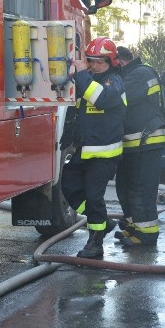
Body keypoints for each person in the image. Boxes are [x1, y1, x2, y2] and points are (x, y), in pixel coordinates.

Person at [61, 37, 127, 259]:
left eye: (100, 62)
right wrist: (68, 135)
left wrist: (81, 75)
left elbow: (101, 99)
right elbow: (76, 111)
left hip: (105, 154)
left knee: (94, 196)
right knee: (69, 187)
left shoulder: (114, 82)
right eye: (91, 61)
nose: (95, 65)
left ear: (111, 62)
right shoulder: (87, 81)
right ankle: (102, 222)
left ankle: (95, 242)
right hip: (84, 152)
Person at [114, 46, 165, 246]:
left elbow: (117, 98)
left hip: (146, 142)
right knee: (125, 187)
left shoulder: (140, 74)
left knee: (140, 189)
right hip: (133, 144)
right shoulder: (130, 75)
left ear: (118, 61)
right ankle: (133, 228)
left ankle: (147, 234)